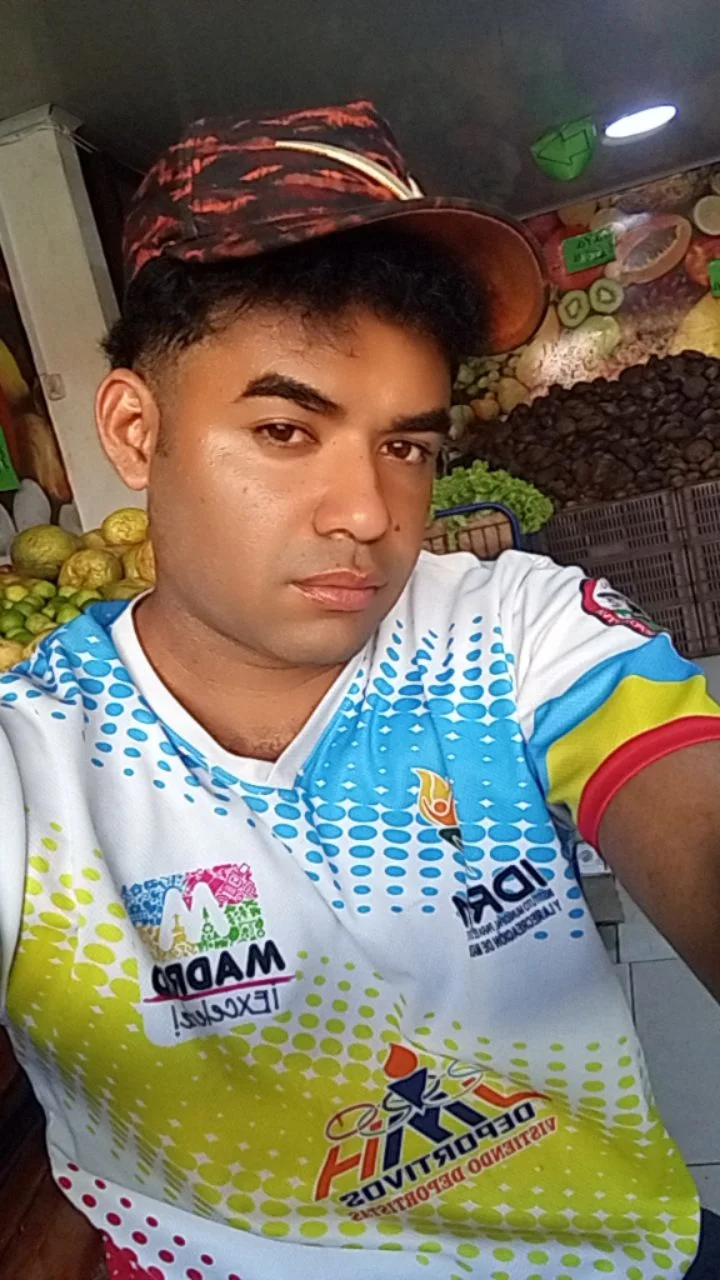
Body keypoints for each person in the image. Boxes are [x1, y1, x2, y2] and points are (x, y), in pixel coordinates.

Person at [1, 100, 719, 1280]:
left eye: (409, 446)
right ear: (134, 428)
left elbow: (692, 815)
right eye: (286, 430)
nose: (370, 513)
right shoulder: (35, 762)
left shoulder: (512, 629)